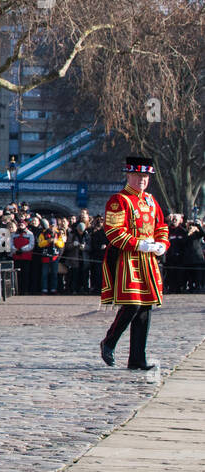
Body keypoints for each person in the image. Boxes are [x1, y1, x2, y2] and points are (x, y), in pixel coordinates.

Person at [99, 156, 169, 370]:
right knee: (132, 304)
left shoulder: (150, 200)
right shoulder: (119, 200)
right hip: (128, 258)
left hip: (148, 260)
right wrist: (139, 244)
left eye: (145, 176)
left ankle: (137, 358)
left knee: (145, 307)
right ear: (128, 175)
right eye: (138, 176)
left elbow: (161, 226)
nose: (142, 180)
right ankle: (109, 342)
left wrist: (162, 244)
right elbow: (113, 231)